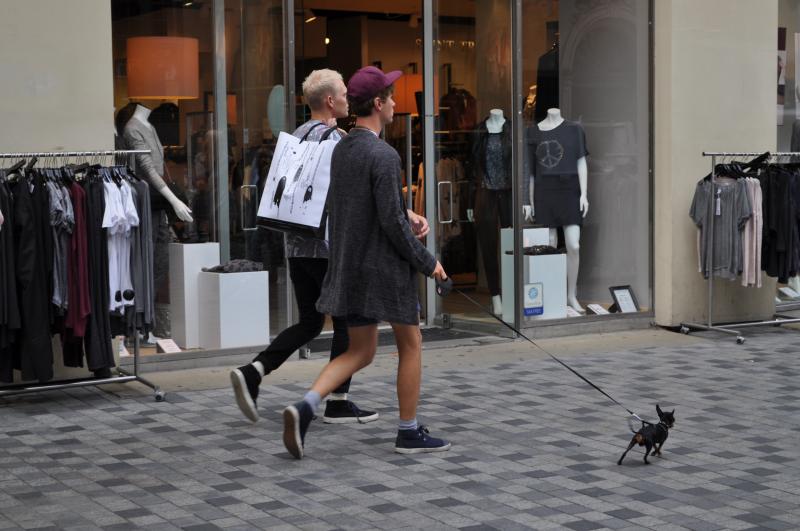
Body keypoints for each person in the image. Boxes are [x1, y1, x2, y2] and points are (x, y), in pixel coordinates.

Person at [281, 66, 451, 459]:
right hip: (385, 270)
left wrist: (402, 215)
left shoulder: (343, 149)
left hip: (349, 266)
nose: (395, 104)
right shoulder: (384, 155)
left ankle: (306, 405)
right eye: (390, 98)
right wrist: (430, 264)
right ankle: (408, 432)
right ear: (377, 104)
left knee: (360, 351)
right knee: (411, 343)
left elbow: (361, 210)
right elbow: (391, 222)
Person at [230, 69, 378, 425]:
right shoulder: (337, 141)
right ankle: (338, 401)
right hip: (329, 247)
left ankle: (255, 370)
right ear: (330, 101)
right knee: (345, 321)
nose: (347, 99)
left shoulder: (294, 138)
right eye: (343, 93)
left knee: (311, 322)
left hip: (296, 245)